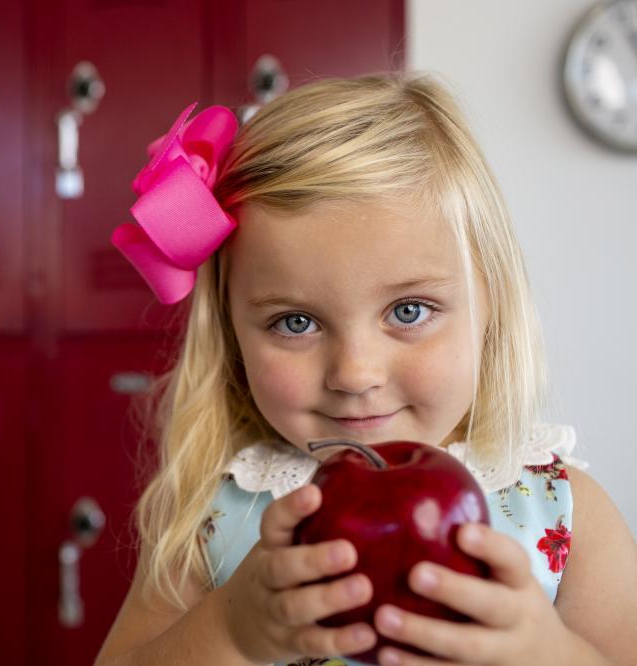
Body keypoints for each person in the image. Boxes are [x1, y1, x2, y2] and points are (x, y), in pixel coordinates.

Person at [96, 72, 637, 666]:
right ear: (231, 335)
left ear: (491, 305)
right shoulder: (215, 512)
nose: (354, 374)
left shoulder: (559, 509)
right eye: (295, 323)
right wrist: (230, 630)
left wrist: (545, 653)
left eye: (409, 311)